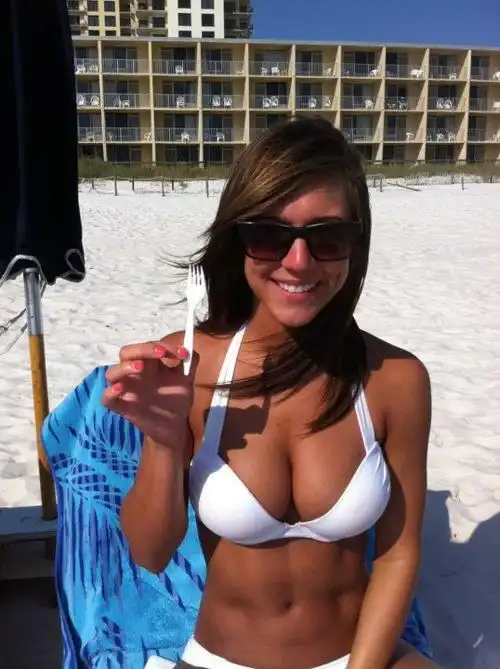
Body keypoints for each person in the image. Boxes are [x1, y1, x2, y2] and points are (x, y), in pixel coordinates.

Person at [102, 117, 439, 669]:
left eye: (327, 238)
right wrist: (163, 439)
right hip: (220, 659)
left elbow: (399, 556)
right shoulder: (189, 366)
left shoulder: (395, 380)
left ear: (356, 245)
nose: (298, 262)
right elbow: (150, 553)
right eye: (269, 236)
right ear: (238, 239)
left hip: (359, 657)